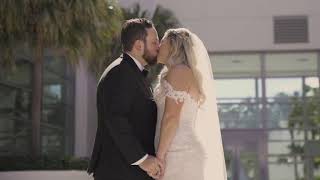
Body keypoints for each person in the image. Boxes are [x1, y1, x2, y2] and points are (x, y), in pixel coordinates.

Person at [87, 18, 165, 180]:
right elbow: (116, 119)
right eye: (154, 42)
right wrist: (143, 160)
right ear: (138, 45)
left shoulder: (133, 73)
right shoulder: (120, 72)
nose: (159, 47)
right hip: (118, 172)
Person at [153, 28, 227, 180]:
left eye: (162, 42)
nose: (158, 46)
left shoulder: (180, 71)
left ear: (173, 46)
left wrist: (159, 157)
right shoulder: (175, 72)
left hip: (179, 153)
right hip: (173, 149)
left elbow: (171, 117)